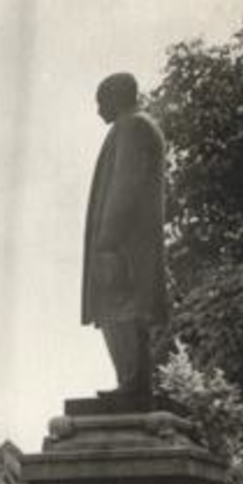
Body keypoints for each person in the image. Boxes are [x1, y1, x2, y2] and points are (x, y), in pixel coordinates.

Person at [81, 72, 169, 402]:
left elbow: (124, 185)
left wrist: (106, 240)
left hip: (123, 246)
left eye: (100, 101)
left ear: (116, 97)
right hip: (131, 244)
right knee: (123, 311)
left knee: (120, 309)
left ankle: (132, 384)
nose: (98, 109)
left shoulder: (132, 126)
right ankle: (131, 383)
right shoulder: (139, 126)